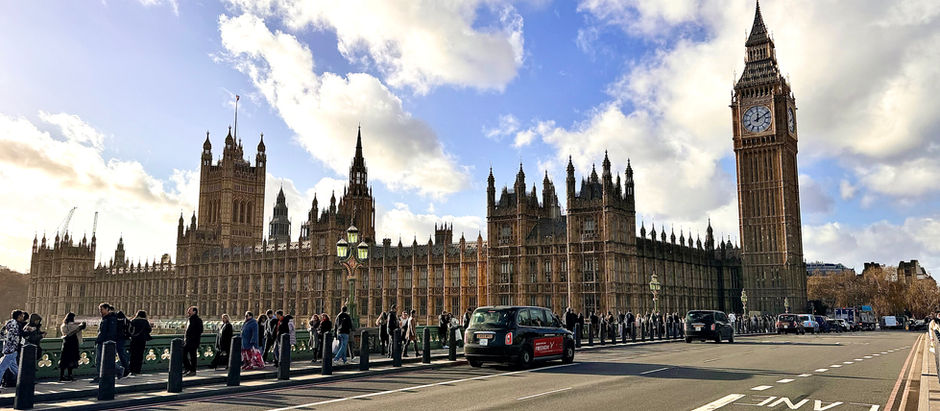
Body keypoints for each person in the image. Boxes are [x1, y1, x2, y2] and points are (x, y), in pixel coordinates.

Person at [93, 303, 124, 382]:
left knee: (101, 360)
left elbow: (109, 332)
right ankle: (102, 375)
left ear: (107, 309)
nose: (100, 311)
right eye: (100, 310)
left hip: (107, 343)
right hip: (103, 341)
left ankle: (117, 370)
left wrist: (104, 340)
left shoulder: (111, 319)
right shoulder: (105, 318)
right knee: (102, 360)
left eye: (102, 309)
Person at [0, 311, 25, 389]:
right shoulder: (16, 325)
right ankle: (24, 382)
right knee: (1, 368)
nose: (23, 317)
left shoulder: (9, 322)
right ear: (18, 316)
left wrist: (5, 339)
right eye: (21, 316)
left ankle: (24, 382)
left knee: (14, 368)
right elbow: (16, 337)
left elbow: (2, 332)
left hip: (7, 348)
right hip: (11, 350)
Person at [59, 312, 85, 381]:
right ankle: (70, 375)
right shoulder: (73, 326)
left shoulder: (63, 325)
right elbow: (80, 328)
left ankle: (62, 375)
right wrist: (82, 324)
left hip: (65, 343)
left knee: (64, 359)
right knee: (71, 359)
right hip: (73, 343)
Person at [128, 310, 152, 376]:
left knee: (133, 355)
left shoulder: (133, 321)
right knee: (139, 355)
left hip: (134, 339)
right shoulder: (145, 321)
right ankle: (137, 370)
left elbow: (129, 330)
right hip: (142, 340)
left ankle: (131, 369)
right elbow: (149, 330)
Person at [183, 306, 203, 376]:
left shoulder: (198, 320)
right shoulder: (189, 320)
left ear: (194, 312)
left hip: (193, 341)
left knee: (192, 356)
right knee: (184, 354)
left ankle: (192, 370)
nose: (188, 312)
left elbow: (200, 330)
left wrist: (193, 337)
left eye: (189, 311)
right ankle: (188, 369)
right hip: (187, 341)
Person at [114, 310, 131, 376]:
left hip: (116, 339)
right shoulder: (126, 321)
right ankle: (126, 369)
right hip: (123, 339)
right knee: (122, 355)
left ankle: (123, 369)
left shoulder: (116, 321)